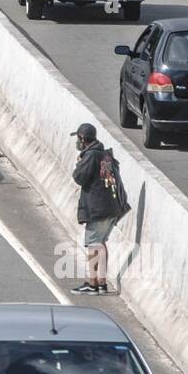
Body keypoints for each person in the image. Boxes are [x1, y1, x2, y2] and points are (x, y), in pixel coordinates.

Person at [70, 123, 128, 295]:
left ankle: (93, 283)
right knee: (100, 244)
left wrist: (79, 163)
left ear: (82, 139)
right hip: (112, 208)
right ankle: (101, 283)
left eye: (78, 139)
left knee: (94, 245)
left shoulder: (91, 155)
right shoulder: (104, 154)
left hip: (98, 209)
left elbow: (79, 177)